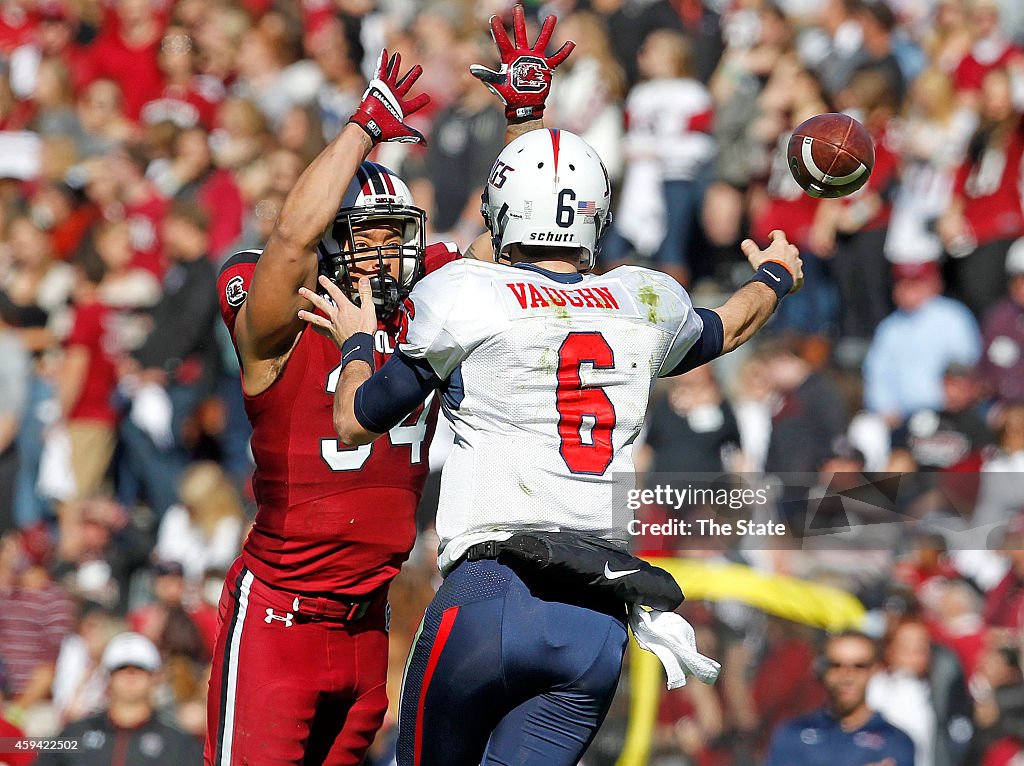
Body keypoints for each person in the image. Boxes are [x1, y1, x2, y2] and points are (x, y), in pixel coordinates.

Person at [302, 127, 802, 765]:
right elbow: (727, 326)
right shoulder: (640, 300)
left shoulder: (464, 293)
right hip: (595, 622)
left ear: (504, 213)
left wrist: (356, 341)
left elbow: (355, 421)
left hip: (489, 596)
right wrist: (774, 276)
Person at [205, 8, 575, 765]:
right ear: (333, 240)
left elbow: (516, 241)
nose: (387, 252)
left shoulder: (421, 302)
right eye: (365, 236)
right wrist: (361, 128)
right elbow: (288, 242)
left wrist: (525, 120)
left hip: (369, 625)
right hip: (283, 619)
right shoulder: (285, 317)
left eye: (394, 233)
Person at [37, 632, 204, 766]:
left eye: (140, 668)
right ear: (108, 677)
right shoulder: (75, 734)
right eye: (121, 668)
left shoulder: (177, 741)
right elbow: (19, 748)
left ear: (155, 677)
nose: (130, 675)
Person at [764, 631, 916, 766]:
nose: (847, 676)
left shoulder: (895, 742)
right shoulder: (793, 734)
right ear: (824, 670)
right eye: (837, 665)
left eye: (859, 666)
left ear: (874, 670)